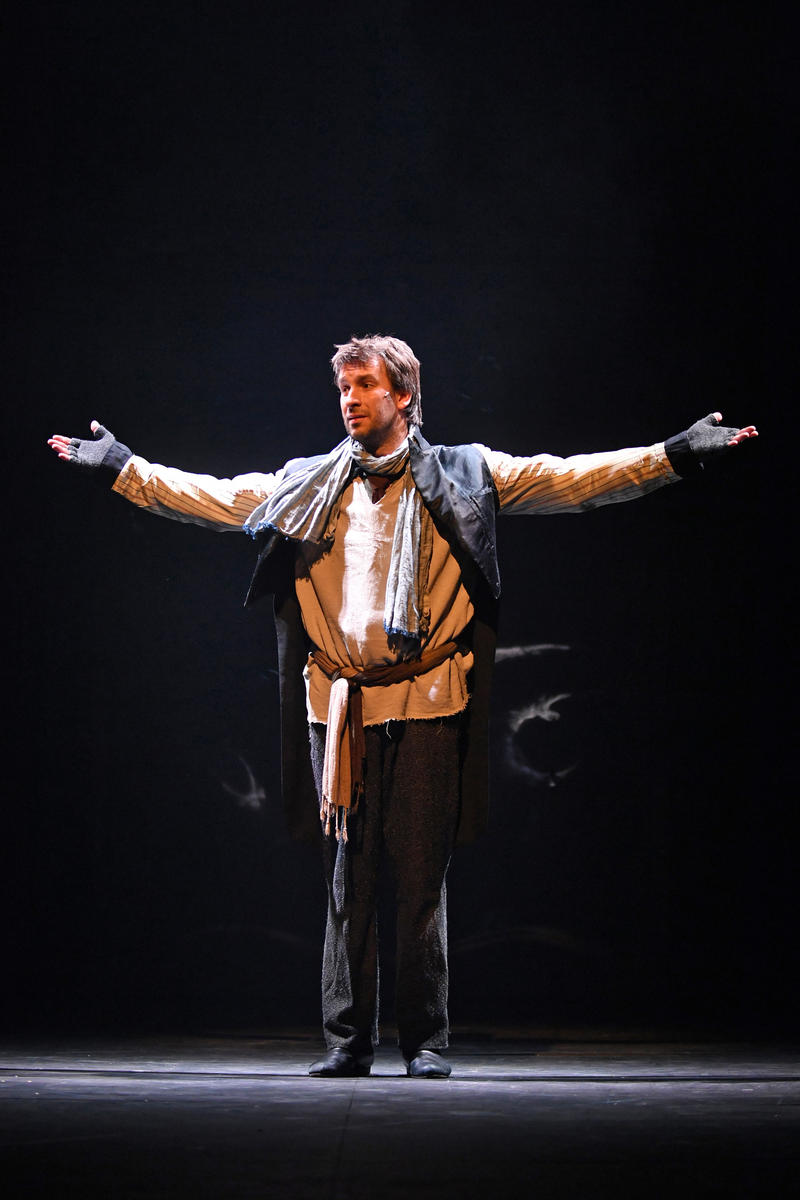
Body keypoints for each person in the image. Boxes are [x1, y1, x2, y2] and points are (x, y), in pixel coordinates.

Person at [48, 333, 757, 1079]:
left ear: (403, 395)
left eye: (364, 385)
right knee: (348, 879)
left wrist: (675, 455)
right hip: (339, 708)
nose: (349, 400)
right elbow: (214, 497)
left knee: (420, 878)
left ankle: (424, 1041)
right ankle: (347, 1040)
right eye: (342, 388)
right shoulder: (308, 484)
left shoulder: (465, 474)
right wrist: (123, 468)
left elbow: (573, 479)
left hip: (427, 699)